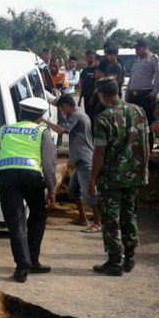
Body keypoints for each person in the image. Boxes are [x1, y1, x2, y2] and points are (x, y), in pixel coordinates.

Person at [88, 76, 150, 276]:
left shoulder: (104, 118)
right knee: (129, 214)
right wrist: (145, 168)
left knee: (111, 218)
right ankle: (130, 256)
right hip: (134, 175)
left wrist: (92, 178)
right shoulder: (139, 111)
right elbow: (146, 142)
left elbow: (99, 152)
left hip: (112, 178)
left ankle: (115, 261)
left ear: (102, 95)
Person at [0, 97, 57, 283]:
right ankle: (33, 261)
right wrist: (52, 188)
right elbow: (48, 164)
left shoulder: (4, 129)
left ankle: (22, 266)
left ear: (20, 113)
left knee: (15, 222)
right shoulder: (41, 131)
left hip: (7, 176)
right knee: (38, 215)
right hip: (31, 177)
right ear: (40, 117)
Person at [44, 94, 101, 231]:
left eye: (63, 109)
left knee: (90, 192)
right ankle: (82, 218)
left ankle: (98, 222)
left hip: (84, 159)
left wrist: (45, 121)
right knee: (74, 190)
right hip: (78, 158)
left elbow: (62, 130)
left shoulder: (76, 115)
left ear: (66, 106)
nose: (63, 113)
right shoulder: (82, 114)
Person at [126, 39, 159, 140]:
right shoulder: (137, 60)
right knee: (133, 122)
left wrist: (154, 93)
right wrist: (128, 92)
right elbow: (132, 77)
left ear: (146, 48)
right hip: (133, 95)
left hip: (145, 95)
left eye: (138, 49)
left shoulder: (154, 59)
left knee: (146, 123)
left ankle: (147, 147)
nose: (136, 51)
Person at [79, 50, 98, 119]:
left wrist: (93, 97)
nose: (89, 59)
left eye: (90, 57)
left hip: (95, 98)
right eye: (87, 57)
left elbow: (97, 85)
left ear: (94, 57)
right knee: (87, 115)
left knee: (95, 116)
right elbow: (82, 84)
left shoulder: (97, 69)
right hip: (86, 97)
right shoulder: (84, 70)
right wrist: (80, 98)